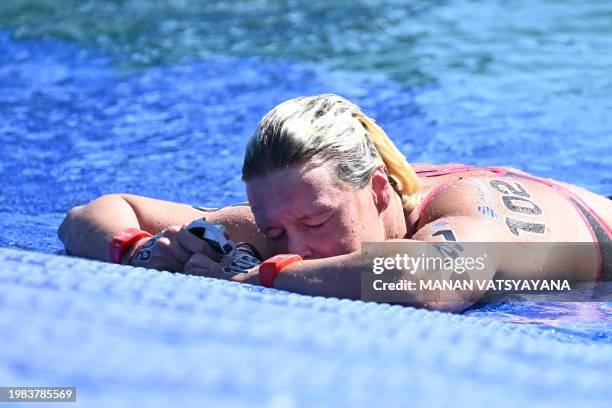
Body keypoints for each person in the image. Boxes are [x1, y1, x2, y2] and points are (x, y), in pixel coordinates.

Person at [58, 94, 612, 311]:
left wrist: (263, 277)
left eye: (316, 221)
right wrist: (141, 251)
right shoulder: (285, 218)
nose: (296, 245)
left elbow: (432, 280)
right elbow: (94, 214)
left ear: (376, 191)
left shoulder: (466, 212)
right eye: (276, 233)